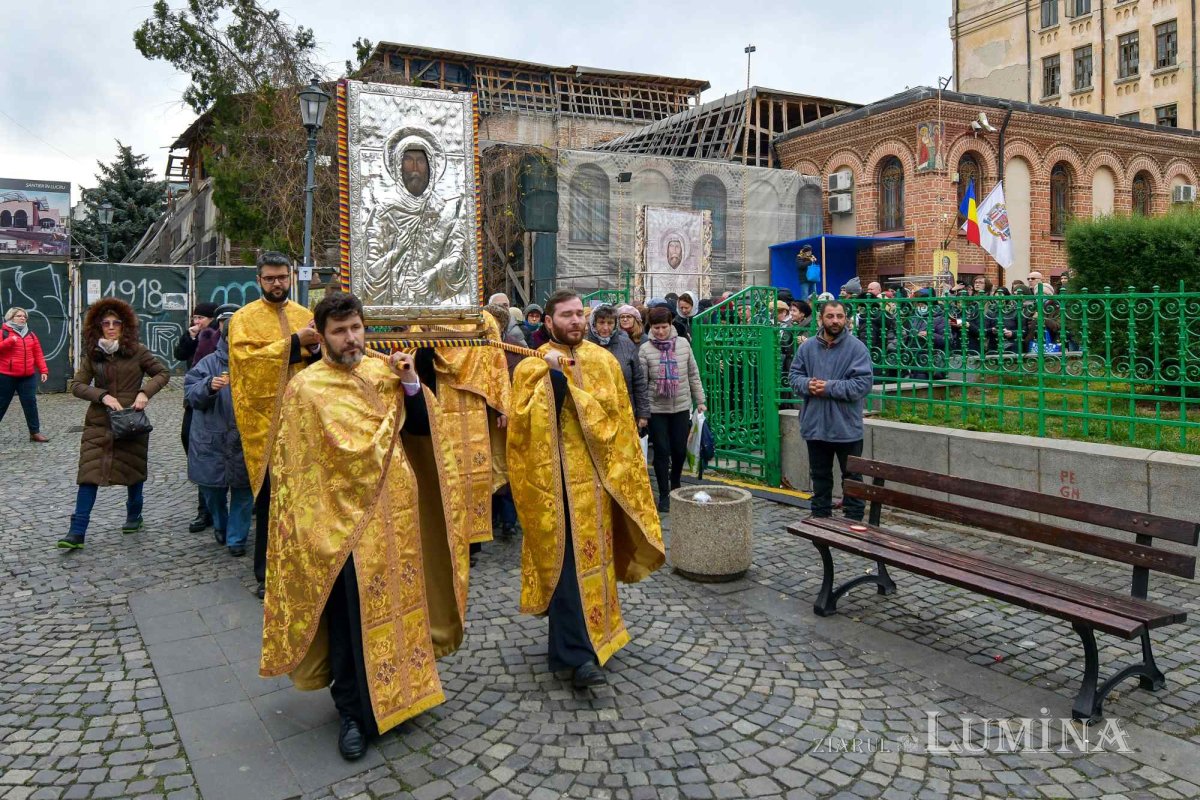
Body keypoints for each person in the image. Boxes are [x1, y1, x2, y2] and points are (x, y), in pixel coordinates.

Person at [259, 291, 469, 761]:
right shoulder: (306, 389)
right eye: (339, 331)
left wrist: (412, 384)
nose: (351, 338)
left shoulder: (384, 372)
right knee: (351, 622)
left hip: (398, 519)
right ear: (321, 336)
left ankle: (407, 692)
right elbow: (294, 471)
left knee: (404, 606)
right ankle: (353, 713)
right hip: (340, 528)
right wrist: (310, 532)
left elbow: (421, 431)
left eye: (356, 328)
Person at [508, 290, 664, 688]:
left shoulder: (603, 361)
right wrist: (553, 377)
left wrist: (624, 476)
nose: (576, 320)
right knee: (566, 566)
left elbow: (619, 420)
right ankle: (576, 656)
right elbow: (523, 427)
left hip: (597, 482)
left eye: (580, 314)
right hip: (555, 484)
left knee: (598, 562)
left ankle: (598, 636)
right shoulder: (532, 365)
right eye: (566, 315)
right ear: (548, 322)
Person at [227, 252, 320, 598]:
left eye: (282, 277)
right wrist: (296, 342)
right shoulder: (243, 319)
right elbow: (246, 364)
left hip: (305, 421)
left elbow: (322, 361)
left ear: (290, 277)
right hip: (266, 426)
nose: (277, 283)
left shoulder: (306, 315)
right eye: (270, 278)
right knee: (270, 501)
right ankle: (267, 575)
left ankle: (306, 567)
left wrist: (315, 347)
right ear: (259, 280)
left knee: (306, 497)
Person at [58, 299, 169, 549]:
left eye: (115, 323)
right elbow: (77, 385)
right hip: (99, 422)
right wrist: (102, 396)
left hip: (131, 419)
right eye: (105, 323)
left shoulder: (138, 351)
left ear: (124, 326)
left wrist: (144, 393)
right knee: (89, 474)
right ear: (97, 326)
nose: (110, 327)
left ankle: (134, 516)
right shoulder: (93, 354)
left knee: (133, 471)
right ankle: (77, 532)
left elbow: (162, 373)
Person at [787, 302, 874, 521]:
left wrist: (828, 387)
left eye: (840, 316)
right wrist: (808, 384)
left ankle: (853, 522)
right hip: (815, 426)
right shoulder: (807, 348)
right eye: (830, 316)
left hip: (846, 428)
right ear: (821, 319)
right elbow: (794, 377)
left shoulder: (857, 348)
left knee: (852, 478)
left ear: (846, 319)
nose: (835, 320)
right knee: (820, 478)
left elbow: (862, 385)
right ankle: (820, 519)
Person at [362, 139, 469, 307]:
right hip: (393, 308)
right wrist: (396, 252)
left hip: (434, 306)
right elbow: (370, 273)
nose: (414, 168)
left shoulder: (447, 210)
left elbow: (459, 257)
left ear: (430, 166)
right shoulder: (383, 213)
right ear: (398, 166)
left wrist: (434, 273)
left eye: (420, 161)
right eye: (408, 160)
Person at [184, 307, 251, 557]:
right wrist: (208, 386)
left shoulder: (255, 363)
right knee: (213, 491)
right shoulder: (208, 363)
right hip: (211, 440)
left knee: (244, 492)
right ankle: (221, 525)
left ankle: (237, 538)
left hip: (244, 440)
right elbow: (190, 394)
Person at [639, 306, 706, 513]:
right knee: (661, 451)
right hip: (656, 408)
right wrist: (643, 413)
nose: (660, 331)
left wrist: (700, 400)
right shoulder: (645, 349)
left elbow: (693, 374)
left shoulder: (683, 344)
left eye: (664, 327)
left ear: (670, 325)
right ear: (651, 327)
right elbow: (642, 383)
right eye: (656, 328)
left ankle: (675, 481)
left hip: (681, 406)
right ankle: (664, 494)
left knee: (679, 450)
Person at [175, 301, 222, 534]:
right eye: (194, 318)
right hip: (197, 398)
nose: (196, 322)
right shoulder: (196, 337)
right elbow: (179, 354)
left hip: (220, 399)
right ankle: (206, 507)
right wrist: (189, 337)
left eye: (200, 318)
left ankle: (213, 508)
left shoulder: (216, 337)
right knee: (192, 442)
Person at [587, 304, 649, 432]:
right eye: (601, 322)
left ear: (615, 324)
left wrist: (643, 413)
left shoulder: (626, 344)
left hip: (625, 411)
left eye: (610, 323)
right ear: (594, 323)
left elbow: (638, 381)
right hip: (595, 413)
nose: (606, 328)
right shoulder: (585, 346)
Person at [0, 307, 50, 442]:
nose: (23, 318)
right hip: (6, 376)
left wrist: (44, 370)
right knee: (2, 404)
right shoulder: (3, 333)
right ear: (11, 318)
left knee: (30, 404)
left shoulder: (30, 334)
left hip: (27, 377)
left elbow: (38, 353)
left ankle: (35, 432)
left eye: (24, 316)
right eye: (19, 316)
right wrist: (9, 341)